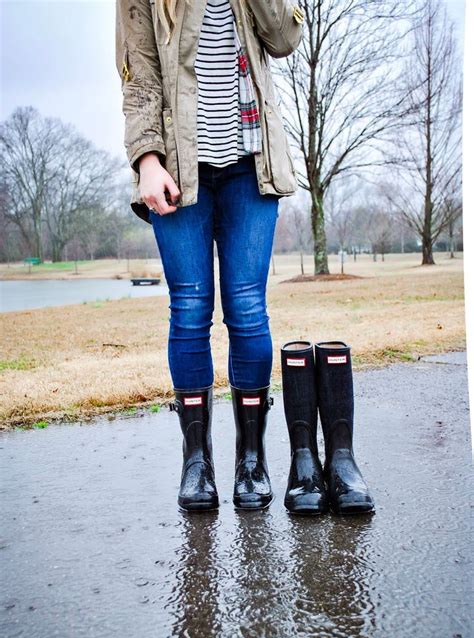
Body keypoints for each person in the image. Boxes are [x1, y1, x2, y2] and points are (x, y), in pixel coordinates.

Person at [115, 0, 305, 512]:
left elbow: (284, 40)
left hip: (251, 163)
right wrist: (147, 161)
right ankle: (196, 459)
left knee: (247, 308)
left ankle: (251, 457)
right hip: (178, 166)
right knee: (191, 309)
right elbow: (140, 76)